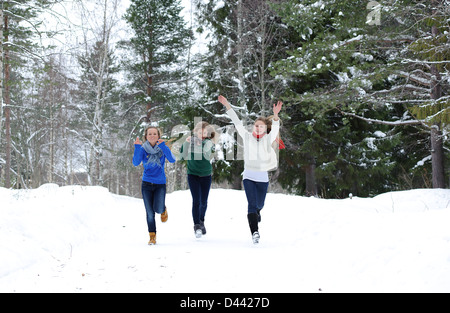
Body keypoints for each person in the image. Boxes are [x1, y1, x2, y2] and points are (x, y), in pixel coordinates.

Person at [218, 95, 283, 244]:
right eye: (256, 125)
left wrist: (276, 115)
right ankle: (255, 232)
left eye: (261, 126)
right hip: (248, 176)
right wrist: (227, 105)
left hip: (262, 178)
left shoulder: (268, 138)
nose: (258, 128)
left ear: (264, 128)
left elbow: (275, 129)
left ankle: (257, 212)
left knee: (260, 205)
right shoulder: (246, 137)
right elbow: (236, 122)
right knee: (251, 204)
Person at [132, 126, 176, 245]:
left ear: (158, 136)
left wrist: (163, 146)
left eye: (154, 134)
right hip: (146, 184)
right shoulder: (142, 149)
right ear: (146, 136)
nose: (152, 136)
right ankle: (152, 236)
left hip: (160, 184)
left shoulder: (162, 148)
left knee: (158, 209)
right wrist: (136, 147)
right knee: (150, 212)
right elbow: (135, 162)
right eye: (149, 134)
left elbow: (172, 160)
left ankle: (163, 210)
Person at [179, 121, 216, 238]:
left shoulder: (209, 142)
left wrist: (198, 143)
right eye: (199, 132)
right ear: (195, 132)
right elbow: (183, 156)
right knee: (196, 201)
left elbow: (206, 153)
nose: (202, 134)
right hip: (193, 175)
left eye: (204, 132)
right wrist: (186, 142)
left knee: (204, 202)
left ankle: (201, 221)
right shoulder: (190, 142)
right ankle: (196, 226)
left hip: (206, 175)